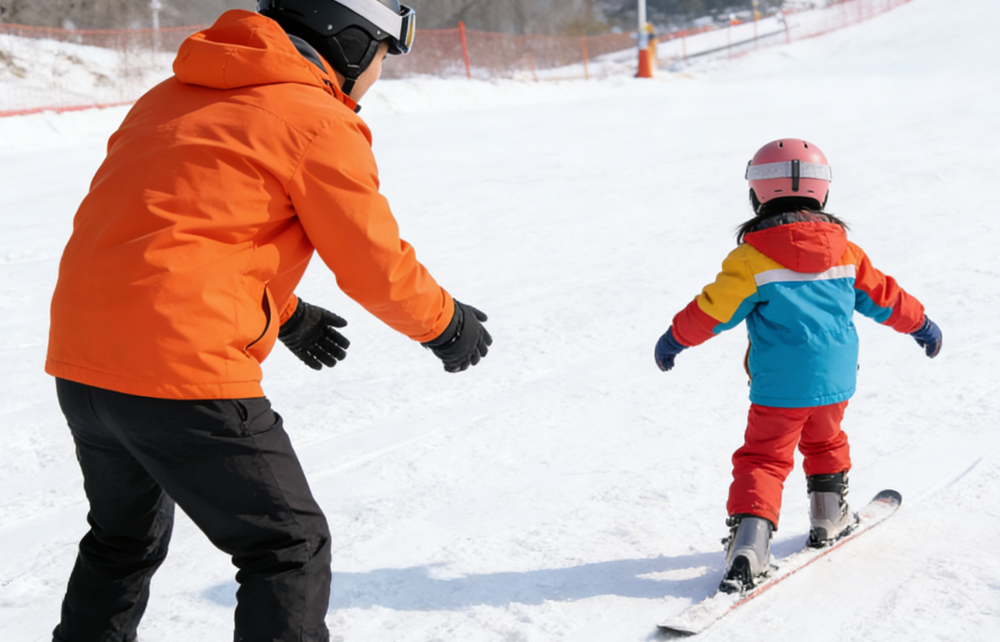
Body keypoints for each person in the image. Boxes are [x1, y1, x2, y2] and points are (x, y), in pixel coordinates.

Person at [45, 1, 491, 640]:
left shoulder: (169, 95)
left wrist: (284, 312)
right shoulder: (315, 119)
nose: (379, 76)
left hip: (84, 363)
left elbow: (170, 230)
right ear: (354, 43)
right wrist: (444, 324)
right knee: (288, 547)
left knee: (121, 539)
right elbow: (372, 262)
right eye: (385, 58)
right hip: (184, 372)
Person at [652, 139, 942, 593]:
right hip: (836, 381)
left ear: (757, 193)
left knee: (764, 458)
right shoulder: (847, 252)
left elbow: (713, 310)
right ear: (822, 192)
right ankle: (829, 518)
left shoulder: (751, 259)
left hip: (778, 386)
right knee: (826, 440)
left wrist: (674, 340)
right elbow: (887, 297)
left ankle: (750, 546)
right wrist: (922, 324)